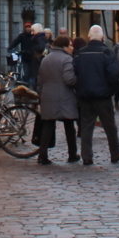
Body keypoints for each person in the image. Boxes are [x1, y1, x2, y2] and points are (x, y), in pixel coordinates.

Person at [72, 26, 119, 165]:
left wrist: (79, 89)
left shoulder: (80, 53)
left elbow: (74, 73)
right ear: (102, 37)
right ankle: (115, 153)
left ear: (89, 37)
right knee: (109, 126)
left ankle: (86, 156)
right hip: (103, 96)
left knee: (86, 126)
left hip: (85, 95)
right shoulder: (107, 53)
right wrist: (110, 91)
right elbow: (114, 75)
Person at [34, 30, 79, 165]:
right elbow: (69, 79)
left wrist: (41, 93)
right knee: (69, 125)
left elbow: (40, 79)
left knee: (48, 125)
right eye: (70, 45)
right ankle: (72, 154)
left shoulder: (46, 58)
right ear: (65, 47)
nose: (72, 48)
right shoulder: (67, 59)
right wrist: (78, 80)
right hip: (64, 96)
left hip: (48, 94)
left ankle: (42, 155)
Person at [12, 20, 45, 86]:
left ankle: (30, 86)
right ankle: (27, 85)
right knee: (26, 72)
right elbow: (16, 41)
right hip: (26, 56)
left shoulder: (36, 37)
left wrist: (33, 49)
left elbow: (39, 47)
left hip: (33, 57)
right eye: (27, 27)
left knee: (32, 73)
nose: (28, 29)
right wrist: (10, 47)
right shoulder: (22, 36)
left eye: (29, 27)